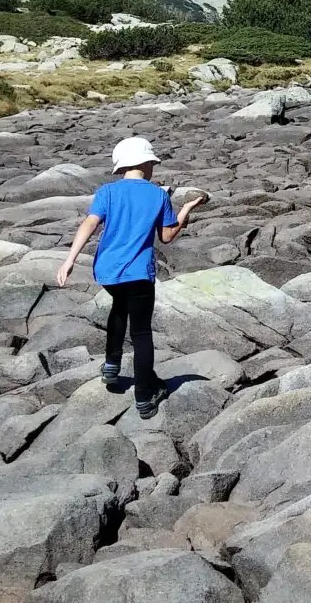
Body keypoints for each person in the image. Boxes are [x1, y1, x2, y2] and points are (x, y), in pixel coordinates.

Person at [55, 136, 205, 419]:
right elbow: (167, 236)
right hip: (139, 274)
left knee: (118, 308)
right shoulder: (158, 195)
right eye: (152, 164)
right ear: (147, 163)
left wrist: (69, 259)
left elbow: (90, 223)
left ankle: (111, 366)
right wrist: (186, 211)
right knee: (141, 333)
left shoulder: (107, 192)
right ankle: (145, 397)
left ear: (122, 166)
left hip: (109, 272)